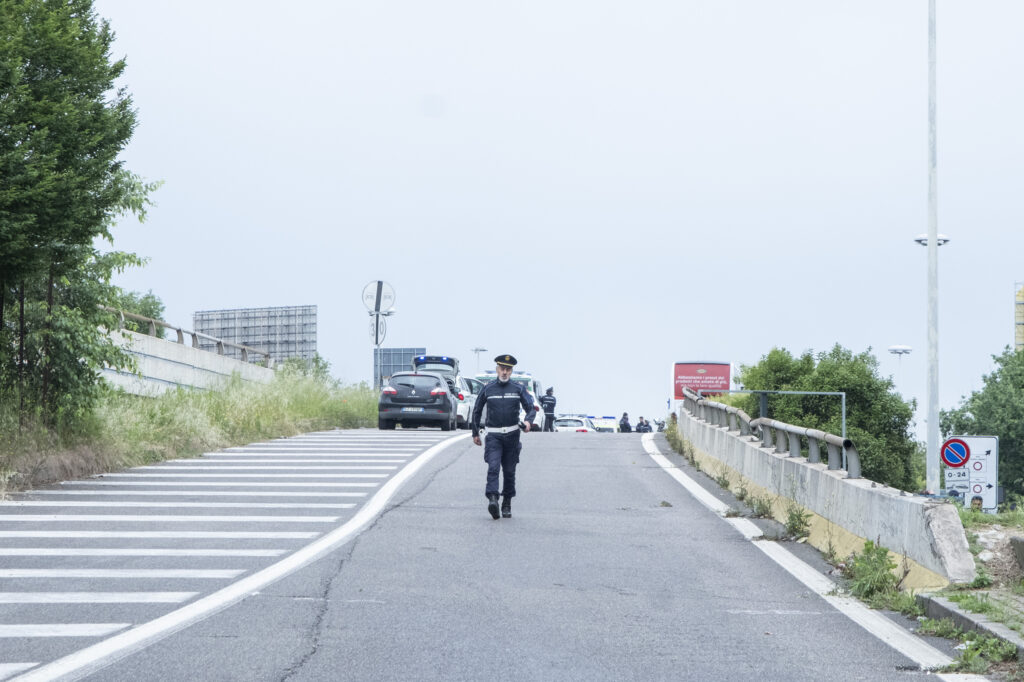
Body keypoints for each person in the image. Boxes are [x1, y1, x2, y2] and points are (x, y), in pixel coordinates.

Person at [472, 354, 538, 519]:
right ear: (497, 369)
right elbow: (477, 410)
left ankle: (507, 502)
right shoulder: (488, 389)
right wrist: (475, 433)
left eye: (508, 369)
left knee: (509, 471)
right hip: (493, 436)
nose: (504, 372)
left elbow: (531, 407)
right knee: (493, 467)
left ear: (511, 371)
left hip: (512, 436)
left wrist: (528, 422)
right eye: (502, 368)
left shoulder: (518, 388)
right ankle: (493, 499)